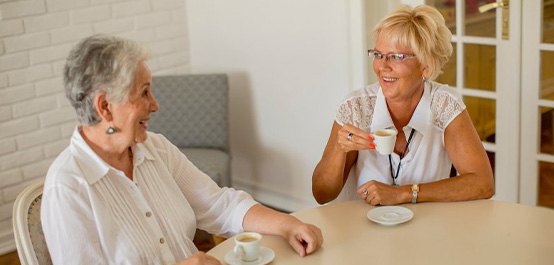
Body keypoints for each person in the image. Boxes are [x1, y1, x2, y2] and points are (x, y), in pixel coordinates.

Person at [41, 34, 323, 265]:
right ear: (105, 107)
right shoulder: (67, 187)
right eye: (144, 92)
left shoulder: (156, 148)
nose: (155, 104)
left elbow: (219, 205)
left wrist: (287, 224)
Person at [312, 5, 494, 206]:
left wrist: (405, 193)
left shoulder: (443, 105)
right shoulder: (357, 107)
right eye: (378, 54)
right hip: (364, 229)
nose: (382, 66)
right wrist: (339, 149)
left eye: (396, 56)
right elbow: (321, 194)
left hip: (426, 228)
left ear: (425, 67)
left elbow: (483, 183)